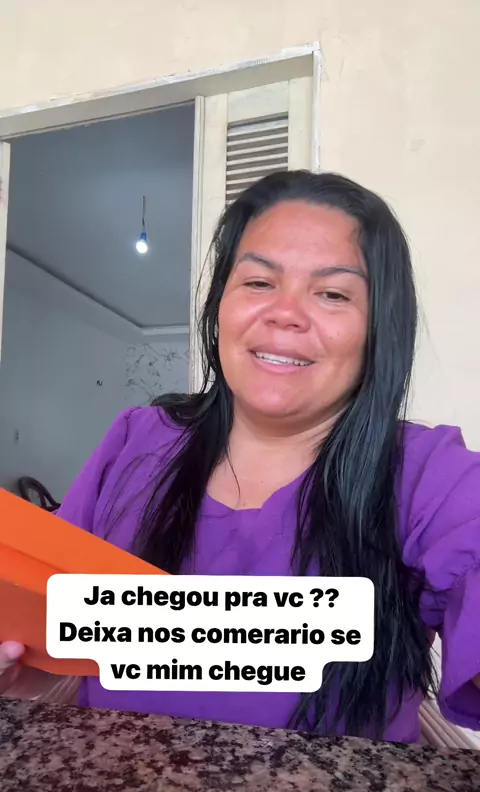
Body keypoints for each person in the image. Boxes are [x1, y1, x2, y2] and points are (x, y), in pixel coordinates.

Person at [1, 170, 479, 743]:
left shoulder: (428, 475)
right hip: (113, 785)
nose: (285, 313)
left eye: (332, 293)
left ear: (379, 329)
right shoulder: (136, 439)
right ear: (220, 306)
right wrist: (18, 671)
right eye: (258, 282)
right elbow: (52, 642)